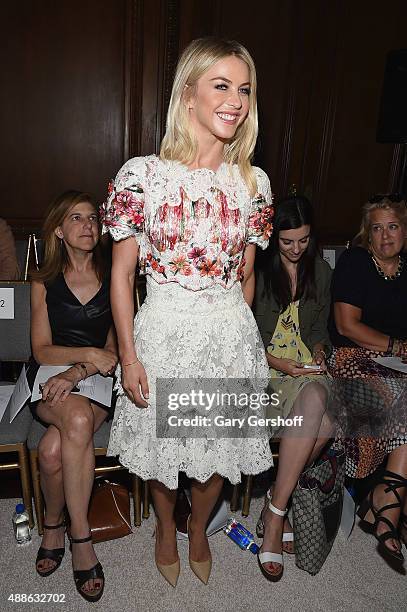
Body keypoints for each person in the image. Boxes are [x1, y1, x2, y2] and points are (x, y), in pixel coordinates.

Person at [101, 37, 274, 587]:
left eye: (243, 89)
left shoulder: (254, 182)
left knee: (217, 450)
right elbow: (122, 276)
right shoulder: (143, 176)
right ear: (188, 95)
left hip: (228, 336)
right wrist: (128, 356)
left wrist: (239, 341)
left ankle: (198, 528)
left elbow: (246, 277)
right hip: (163, 332)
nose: (235, 100)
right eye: (220, 86)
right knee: (164, 450)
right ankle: (161, 528)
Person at [28, 191, 117, 602]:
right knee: (76, 420)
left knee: (50, 452)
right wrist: (84, 355)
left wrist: (80, 370)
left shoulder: (114, 274)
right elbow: (42, 350)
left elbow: (115, 352)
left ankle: (55, 525)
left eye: (93, 218)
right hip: (48, 377)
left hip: (96, 380)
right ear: (59, 231)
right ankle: (80, 537)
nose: (87, 226)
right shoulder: (42, 281)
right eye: (76, 219)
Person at [254, 196, 333, 580]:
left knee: (326, 409)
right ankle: (275, 514)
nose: (297, 248)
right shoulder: (259, 269)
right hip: (269, 369)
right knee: (323, 416)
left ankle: (274, 505)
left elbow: (321, 330)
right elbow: (248, 337)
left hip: (305, 366)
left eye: (303, 240)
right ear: (274, 238)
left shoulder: (320, 270)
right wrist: (278, 363)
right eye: (288, 241)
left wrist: (319, 349)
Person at [329, 193, 407, 564]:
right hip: (352, 357)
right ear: (367, 234)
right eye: (377, 228)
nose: (386, 236)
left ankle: (386, 498)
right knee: (398, 395)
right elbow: (347, 325)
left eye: (393, 226)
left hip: (398, 361)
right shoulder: (355, 262)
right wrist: (397, 346)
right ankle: (386, 500)